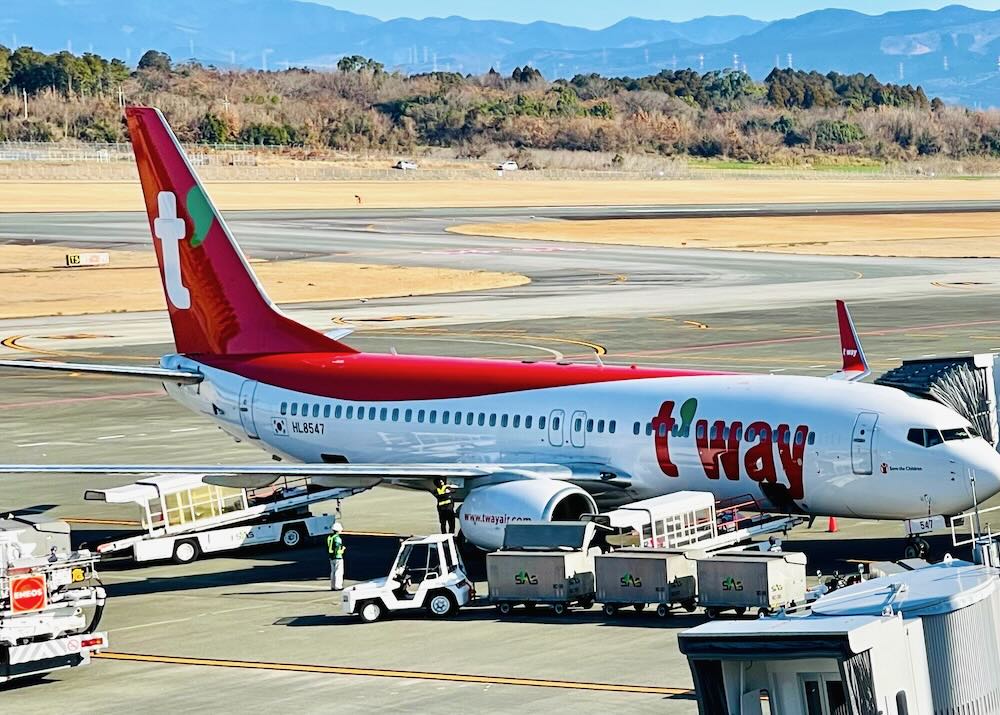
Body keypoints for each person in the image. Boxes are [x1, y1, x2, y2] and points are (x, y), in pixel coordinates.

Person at [327, 522, 346, 591]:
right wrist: (343, 550)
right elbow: (338, 550)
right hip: (338, 557)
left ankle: (332, 585)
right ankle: (338, 586)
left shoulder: (330, 537)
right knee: (339, 572)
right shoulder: (337, 539)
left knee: (333, 572)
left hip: (331, 557)